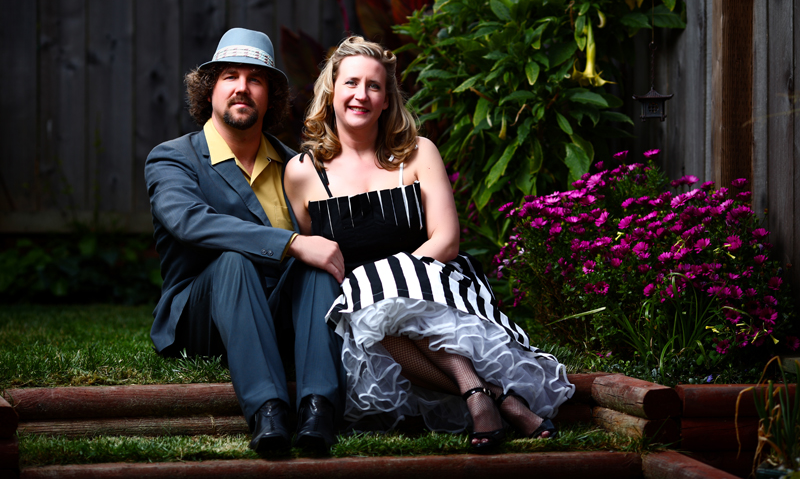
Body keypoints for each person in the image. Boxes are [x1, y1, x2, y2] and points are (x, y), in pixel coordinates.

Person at [284, 36, 575, 453]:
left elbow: (447, 240)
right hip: (363, 311)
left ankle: (482, 396)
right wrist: (371, 291)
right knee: (374, 309)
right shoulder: (302, 172)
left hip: (436, 281)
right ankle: (490, 396)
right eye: (350, 83)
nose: (360, 95)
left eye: (374, 86)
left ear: (387, 99)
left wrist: (393, 282)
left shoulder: (418, 153)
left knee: (388, 301)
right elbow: (315, 250)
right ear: (331, 93)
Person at [145, 28, 347, 454]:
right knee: (234, 261)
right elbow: (188, 221)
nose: (242, 88)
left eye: (255, 79)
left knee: (317, 262)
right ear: (209, 89)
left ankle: (317, 409)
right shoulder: (173, 157)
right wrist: (291, 242)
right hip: (205, 316)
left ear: (270, 96)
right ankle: (268, 410)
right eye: (230, 76)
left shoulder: (296, 165)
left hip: (280, 315)